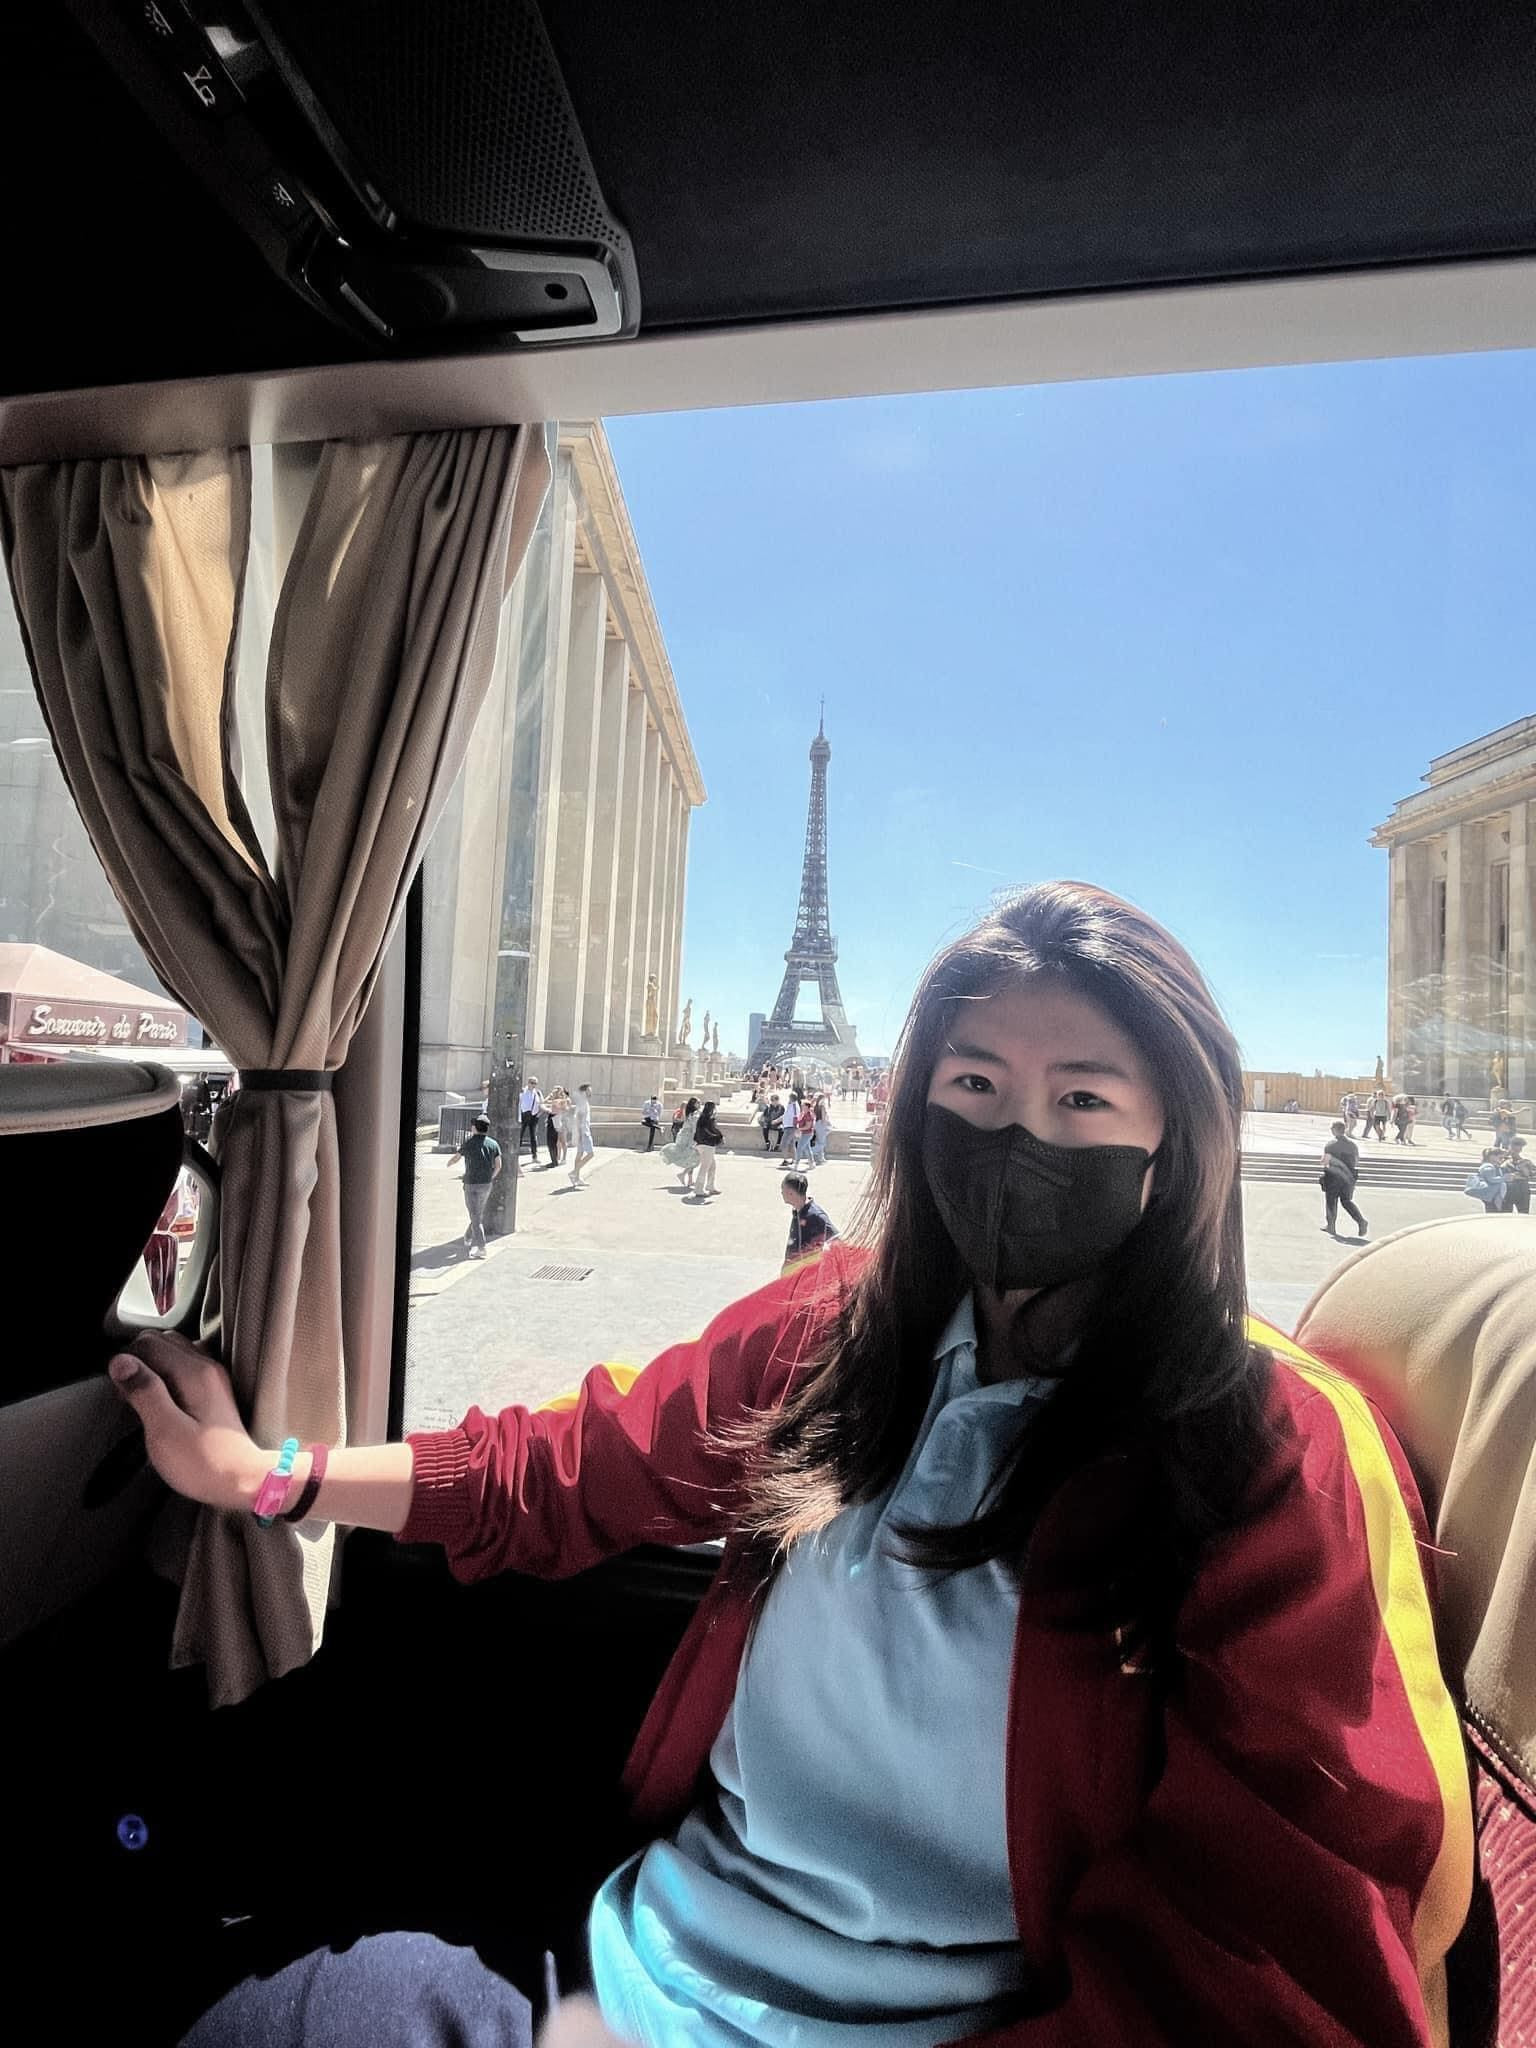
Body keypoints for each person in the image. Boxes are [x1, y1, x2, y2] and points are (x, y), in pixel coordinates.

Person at [113, 881, 1469, 2048]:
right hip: (645, 1965)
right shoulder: (840, 1327)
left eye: (1082, 1097)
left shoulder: (1272, 1445)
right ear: (917, 1102)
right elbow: (569, 1468)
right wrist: (267, 1475)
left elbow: (1264, 1955)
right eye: (975, 1085)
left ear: (1174, 1133)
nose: (1018, 1138)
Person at [449, 1112, 502, 1258]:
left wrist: (449, 1163)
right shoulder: (493, 1144)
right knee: (477, 1213)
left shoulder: (469, 1143)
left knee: (475, 1216)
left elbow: (456, 1157)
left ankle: (481, 1247)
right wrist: (491, 1177)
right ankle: (468, 1236)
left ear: (475, 1128)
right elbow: (498, 1166)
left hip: (471, 1183)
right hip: (486, 1184)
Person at [780, 1171, 839, 1274]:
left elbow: (836, 1239)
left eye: (782, 1189)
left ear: (791, 1193)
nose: (781, 1193)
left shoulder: (816, 1215)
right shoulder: (797, 1210)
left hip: (807, 1275)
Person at [1318, 1121, 1367, 1240]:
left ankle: (1331, 1225)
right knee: (1346, 1201)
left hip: (1334, 1176)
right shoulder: (1352, 1145)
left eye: (1332, 1128)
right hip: (1349, 1176)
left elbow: (1325, 1161)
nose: (1331, 1130)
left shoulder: (1330, 1145)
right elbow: (1356, 1160)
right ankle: (1361, 1221)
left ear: (1335, 1130)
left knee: (1331, 1201)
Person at [660, 1096, 700, 1188]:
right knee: (694, 1157)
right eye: (698, 1103)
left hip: (685, 1136)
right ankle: (684, 1174)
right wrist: (696, 1139)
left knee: (691, 1157)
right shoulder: (694, 1114)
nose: (699, 1104)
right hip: (689, 1138)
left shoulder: (690, 1113)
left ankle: (689, 1179)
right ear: (693, 1104)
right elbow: (694, 1128)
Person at [692, 1100, 724, 1199]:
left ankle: (710, 1186)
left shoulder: (703, 1118)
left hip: (702, 1145)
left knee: (712, 1166)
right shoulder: (708, 1119)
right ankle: (699, 1189)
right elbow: (712, 1131)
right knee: (705, 1167)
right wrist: (719, 1137)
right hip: (707, 1146)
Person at [569, 1083, 596, 1188]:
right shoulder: (583, 1103)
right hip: (584, 1132)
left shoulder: (582, 1102)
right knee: (591, 1154)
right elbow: (579, 1117)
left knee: (579, 1154)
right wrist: (581, 1132)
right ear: (584, 1092)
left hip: (582, 1131)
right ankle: (574, 1172)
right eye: (589, 1090)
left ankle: (577, 1178)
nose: (591, 1092)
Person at [518, 1077, 544, 1163]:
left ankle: (534, 1156)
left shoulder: (538, 1093)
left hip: (533, 1115)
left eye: (535, 1083)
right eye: (532, 1083)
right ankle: (516, 1156)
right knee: (520, 1136)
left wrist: (538, 1115)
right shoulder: (523, 1091)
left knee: (533, 1136)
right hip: (524, 1115)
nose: (533, 1085)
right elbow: (519, 1104)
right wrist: (519, 1116)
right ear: (528, 1083)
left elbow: (542, 1104)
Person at [1503, 1136, 1531, 1215]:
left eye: (1520, 1147)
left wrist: (1523, 1168)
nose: (1517, 1149)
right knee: (1505, 1214)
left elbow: (1530, 1175)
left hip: (1522, 1189)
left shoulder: (1526, 1161)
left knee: (1523, 1214)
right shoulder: (1502, 1159)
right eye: (1514, 1146)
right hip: (1507, 1189)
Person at [546, 1085, 570, 1168]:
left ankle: (564, 1158)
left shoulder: (565, 1099)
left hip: (562, 1121)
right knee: (557, 1141)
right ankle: (558, 1157)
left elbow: (566, 1109)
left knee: (563, 1141)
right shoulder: (557, 1099)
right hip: (558, 1121)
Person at [811, 1093, 832, 1166]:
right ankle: (810, 1152)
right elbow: (823, 1118)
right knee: (822, 1143)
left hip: (817, 1124)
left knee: (819, 1141)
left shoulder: (816, 1106)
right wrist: (827, 1125)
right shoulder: (822, 1107)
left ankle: (821, 1158)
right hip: (821, 1124)